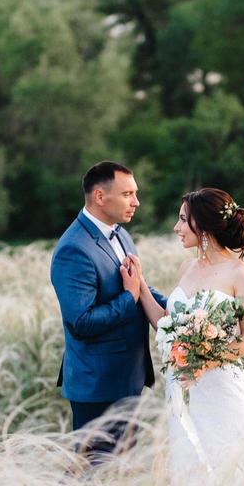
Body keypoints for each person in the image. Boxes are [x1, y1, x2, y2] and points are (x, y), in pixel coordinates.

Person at [130, 187, 244, 486]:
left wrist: (204, 360)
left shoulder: (239, 273)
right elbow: (165, 324)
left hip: (221, 385)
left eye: (182, 220)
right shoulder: (187, 268)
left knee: (230, 459)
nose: (176, 228)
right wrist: (139, 286)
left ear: (203, 225)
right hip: (182, 385)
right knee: (192, 461)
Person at [49, 161, 166, 462]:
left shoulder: (121, 234)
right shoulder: (73, 249)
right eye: (128, 194)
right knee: (95, 474)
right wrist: (128, 297)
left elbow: (139, 287)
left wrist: (183, 309)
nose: (136, 202)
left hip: (128, 376)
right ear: (100, 197)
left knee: (123, 473)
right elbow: (82, 322)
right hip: (98, 386)